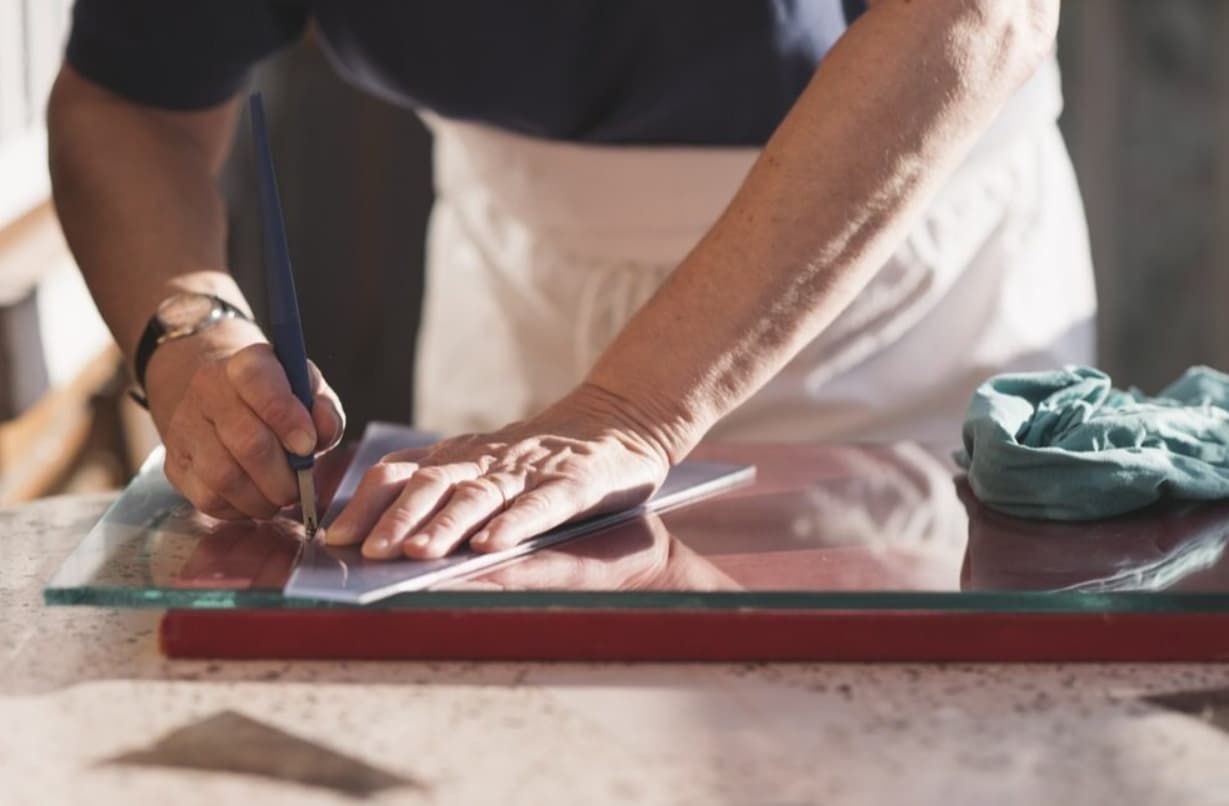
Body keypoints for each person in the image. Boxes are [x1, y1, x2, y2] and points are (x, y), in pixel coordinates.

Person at [48, 0, 1094, 562]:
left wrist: (627, 410)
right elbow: (129, 102)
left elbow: (978, 11)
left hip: (892, 272)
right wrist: (189, 338)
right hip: (515, 272)